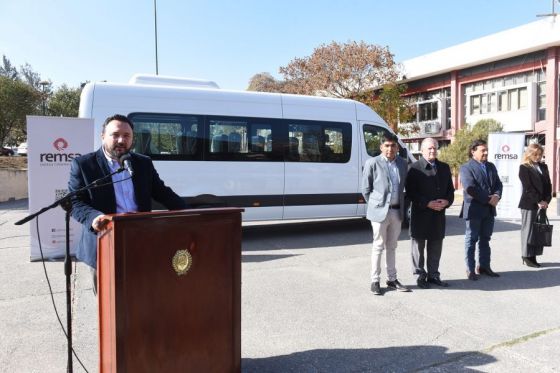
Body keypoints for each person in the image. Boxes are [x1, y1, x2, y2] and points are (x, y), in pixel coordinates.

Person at [68, 114, 188, 294]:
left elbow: (162, 192)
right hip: (103, 243)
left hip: (139, 241)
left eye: (126, 135)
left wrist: (190, 213)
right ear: (103, 136)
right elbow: (75, 202)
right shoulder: (84, 164)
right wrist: (94, 218)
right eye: (115, 135)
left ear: (132, 138)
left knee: (139, 297)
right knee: (107, 303)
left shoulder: (142, 163)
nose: (121, 140)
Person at [361, 133, 410, 295]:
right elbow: (365, 189)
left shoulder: (403, 164)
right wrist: (376, 206)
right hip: (379, 212)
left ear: (397, 147)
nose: (390, 149)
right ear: (381, 147)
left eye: (393, 145)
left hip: (397, 211)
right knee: (378, 246)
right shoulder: (372, 163)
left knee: (392, 247)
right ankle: (375, 280)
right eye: (387, 145)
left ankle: (392, 279)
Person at [406, 138, 454, 289]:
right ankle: (420, 276)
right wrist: (427, 203)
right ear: (422, 150)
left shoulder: (444, 167)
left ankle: (434, 275)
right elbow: (410, 193)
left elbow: (450, 191)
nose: (432, 151)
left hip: (438, 215)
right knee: (418, 249)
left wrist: (447, 201)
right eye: (429, 149)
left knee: (435, 248)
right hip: (421, 214)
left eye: (434, 148)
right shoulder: (414, 168)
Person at [459, 139, 503, 280]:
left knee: (485, 239)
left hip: (489, 210)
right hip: (474, 209)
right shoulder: (466, 167)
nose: (486, 152)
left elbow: (498, 183)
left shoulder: (490, 166)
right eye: (482, 150)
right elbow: (470, 188)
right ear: (473, 151)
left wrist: (497, 195)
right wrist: (488, 199)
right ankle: (470, 269)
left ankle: (484, 266)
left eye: (486, 150)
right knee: (471, 240)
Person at [518, 143, 552, 268]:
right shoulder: (524, 167)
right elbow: (528, 187)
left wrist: (546, 201)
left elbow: (548, 185)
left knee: (538, 231)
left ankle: (534, 255)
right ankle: (526, 255)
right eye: (535, 154)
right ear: (529, 154)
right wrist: (538, 201)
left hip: (542, 205)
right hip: (529, 204)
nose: (538, 157)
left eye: (540, 155)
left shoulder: (544, 166)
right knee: (528, 230)